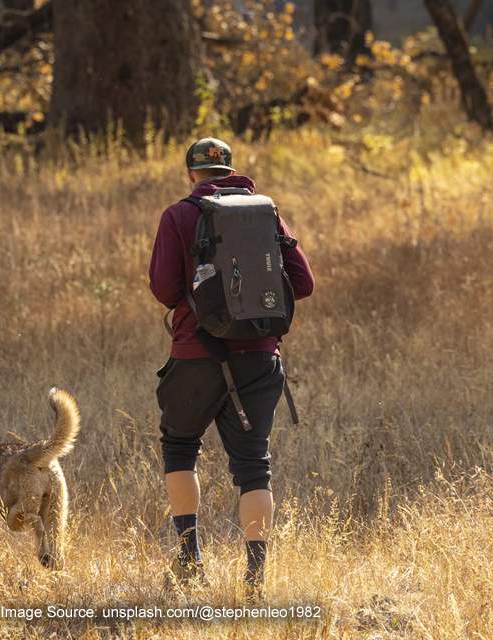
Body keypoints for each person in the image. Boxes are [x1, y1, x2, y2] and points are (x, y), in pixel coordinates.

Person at [149, 137, 315, 601]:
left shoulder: (178, 215)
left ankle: (189, 561)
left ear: (191, 175)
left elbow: (164, 288)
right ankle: (255, 582)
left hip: (194, 354)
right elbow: (303, 283)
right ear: (231, 171)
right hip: (261, 356)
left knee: (180, 446)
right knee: (253, 466)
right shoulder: (265, 212)